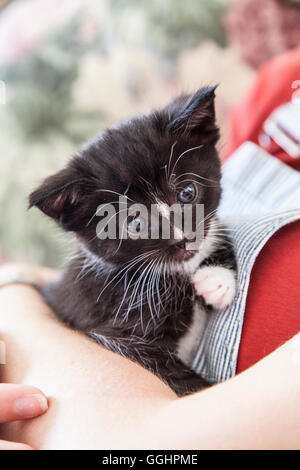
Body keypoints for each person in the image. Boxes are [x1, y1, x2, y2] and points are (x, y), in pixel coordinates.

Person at [1, 48, 300, 449]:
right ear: (77, 217)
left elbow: (148, 442)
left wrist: (17, 303)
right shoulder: (279, 85)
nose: (180, 234)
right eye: (137, 223)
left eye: (187, 195)